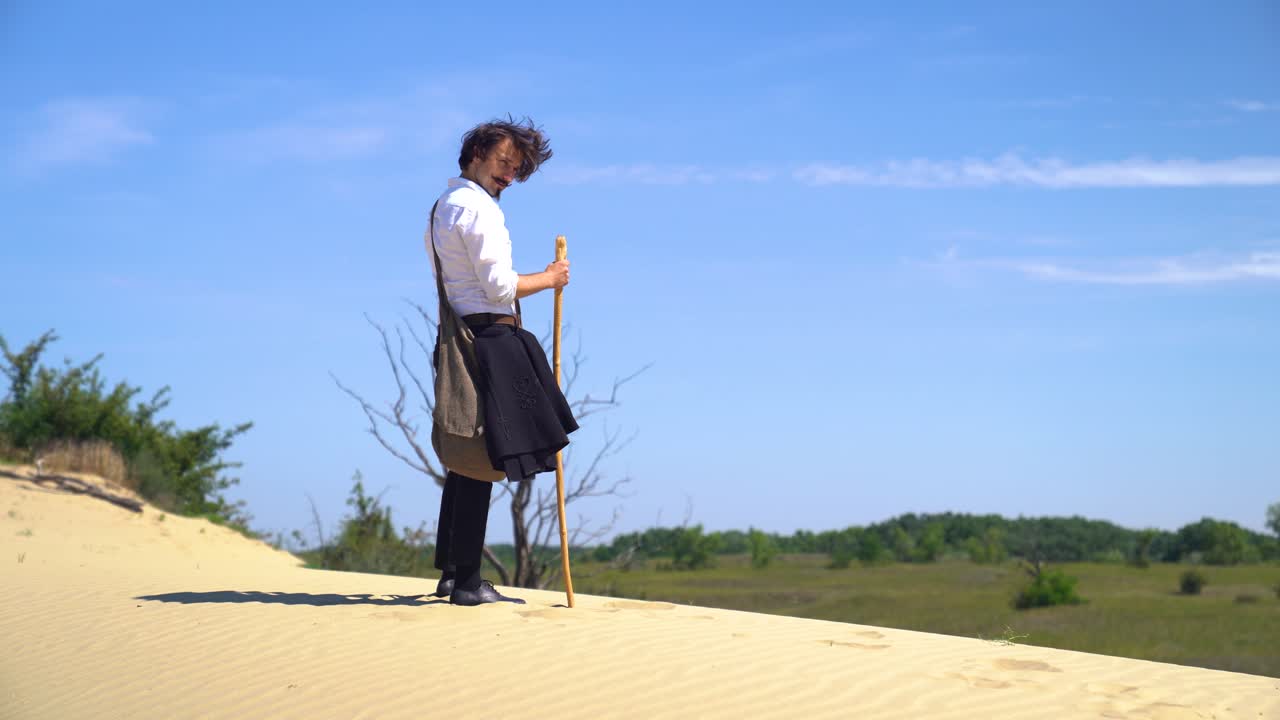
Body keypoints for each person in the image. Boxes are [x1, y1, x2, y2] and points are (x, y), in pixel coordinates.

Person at [427, 117, 578, 606]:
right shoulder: (477, 209)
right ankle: (468, 583)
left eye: (516, 168)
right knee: (479, 457)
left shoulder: (443, 205)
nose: (509, 174)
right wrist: (550, 278)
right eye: (503, 162)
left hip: (461, 334)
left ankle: (454, 573)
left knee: (466, 454)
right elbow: (498, 288)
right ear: (476, 154)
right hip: (490, 336)